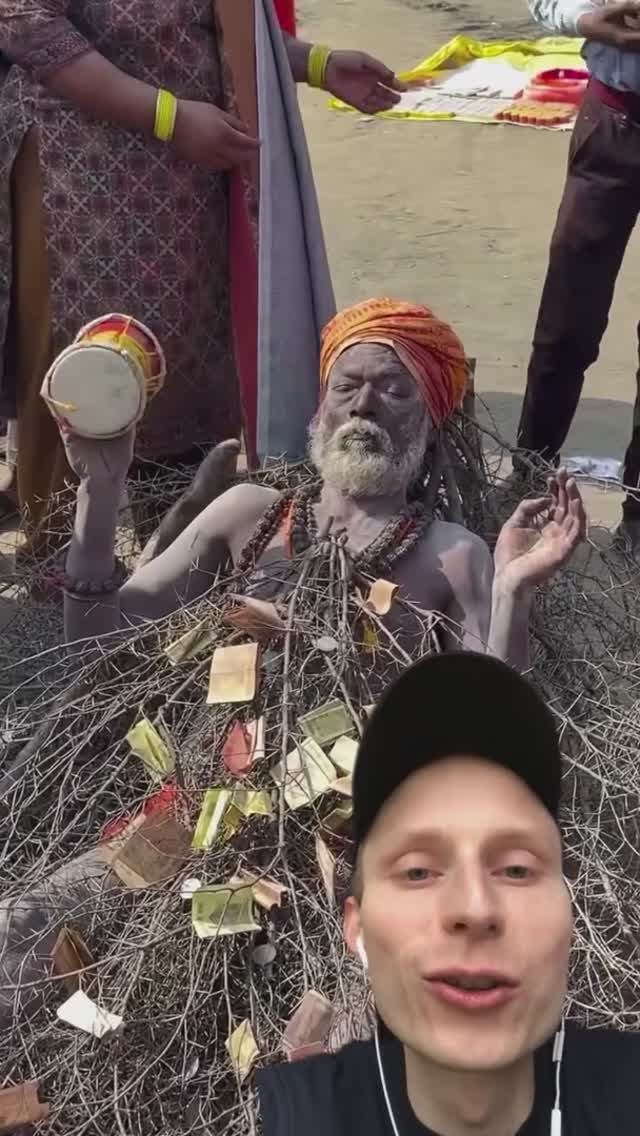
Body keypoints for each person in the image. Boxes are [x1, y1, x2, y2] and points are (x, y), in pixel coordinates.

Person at [0, 0, 403, 551]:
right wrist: (168, 116)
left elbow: (207, 32)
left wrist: (315, 63)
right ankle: (59, 561)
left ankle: (177, 557)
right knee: (84, 364)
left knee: (185, 369)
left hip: (190, 188)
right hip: (80, 180)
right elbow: (24, 22)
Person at [60, 298, 585, 671]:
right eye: (346, 387)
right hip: (209, 790)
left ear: (431, 430)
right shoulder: (245, 515)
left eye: (395, 391)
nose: (364, 406)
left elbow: (493, 726)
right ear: (320, 413)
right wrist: (100, 492)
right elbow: (95, 645)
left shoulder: (453, 556)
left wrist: (513, 591)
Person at [257, 650, 640, 1135]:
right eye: (418, 872)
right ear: (357, 929)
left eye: (517, 869)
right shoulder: (303, 1118)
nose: (474, 908)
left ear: (569, 915)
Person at [517, 0, 640, 551]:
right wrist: (588, 22)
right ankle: (527, 482)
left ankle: (639, 516)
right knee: (566, 322)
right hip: (611, 124)